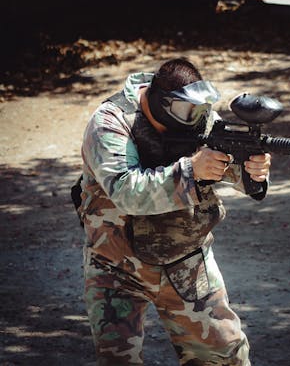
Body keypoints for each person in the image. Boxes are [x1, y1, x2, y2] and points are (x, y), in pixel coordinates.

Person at [77, 57, 271, 365]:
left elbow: (226, 165)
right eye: (186, 111)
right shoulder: (110, 121)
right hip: (116, 264)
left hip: (187, 261)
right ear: (161, 101)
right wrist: (191, 172)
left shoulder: (196, 115)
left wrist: (251, 170)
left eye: (199, 110)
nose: (195, 119)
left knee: (224, 357)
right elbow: (127, 193)